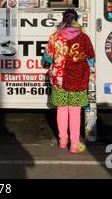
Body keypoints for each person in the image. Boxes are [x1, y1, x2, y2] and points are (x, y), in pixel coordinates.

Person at [43, 9, 95, 153]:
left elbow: (47, 57)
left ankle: (62, 140)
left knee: (61, 109)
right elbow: (91, 57)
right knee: (75, 111)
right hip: (78, 79)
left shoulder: (55, 37)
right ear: (76, 20)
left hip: (59, 78)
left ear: (63, 19)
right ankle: (74, 144)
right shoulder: (84, 37)